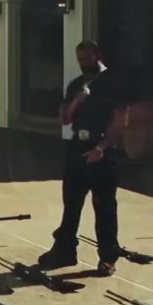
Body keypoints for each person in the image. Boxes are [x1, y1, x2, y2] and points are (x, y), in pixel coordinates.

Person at [37, 40, 127, 275]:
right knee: (71, 203)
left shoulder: (114, 83)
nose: (83, 63)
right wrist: (77, 100)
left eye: (87, 58)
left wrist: (101, 148)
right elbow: (65, 119)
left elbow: (120, 121)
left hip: (103, 148)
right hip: (77, 146)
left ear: (98, 55)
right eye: (80, 59)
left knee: (105, 205)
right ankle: (65, 251)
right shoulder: (77, 84)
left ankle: (108, 257)